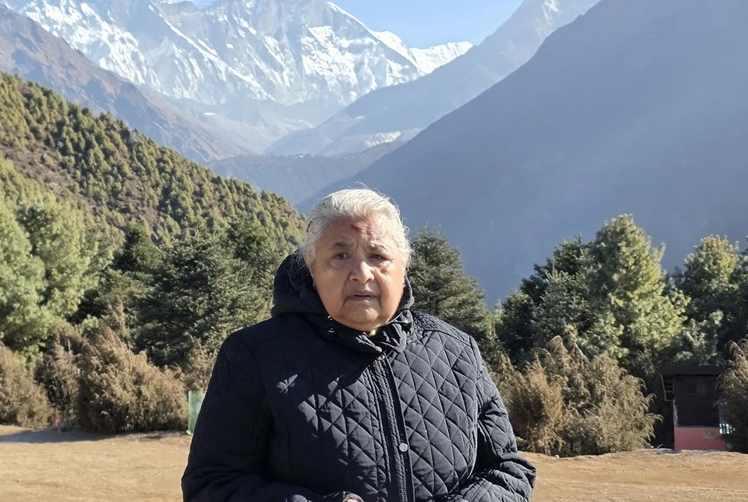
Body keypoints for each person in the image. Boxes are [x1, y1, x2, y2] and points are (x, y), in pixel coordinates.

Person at [182, 188, 535, 502]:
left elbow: (509, 470)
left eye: (378, 256)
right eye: (340, 256)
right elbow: (211, 484)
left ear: (403, 266)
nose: (361, 273)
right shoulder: (255, 356)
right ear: (311, 267)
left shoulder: (456, 351)